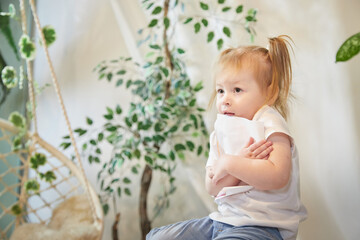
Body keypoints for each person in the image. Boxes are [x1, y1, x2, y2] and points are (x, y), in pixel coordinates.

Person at [146, 35, 307, 240]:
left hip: (263, 226)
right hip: (223, 221)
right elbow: (212, 187)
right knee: (157, 237)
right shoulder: (220, 132)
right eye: (220, 90)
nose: (225, 99)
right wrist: (231, 163)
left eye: (237, 90)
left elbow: (278, 176)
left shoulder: (269, 123)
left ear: (269, 93)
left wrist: (230, 163)